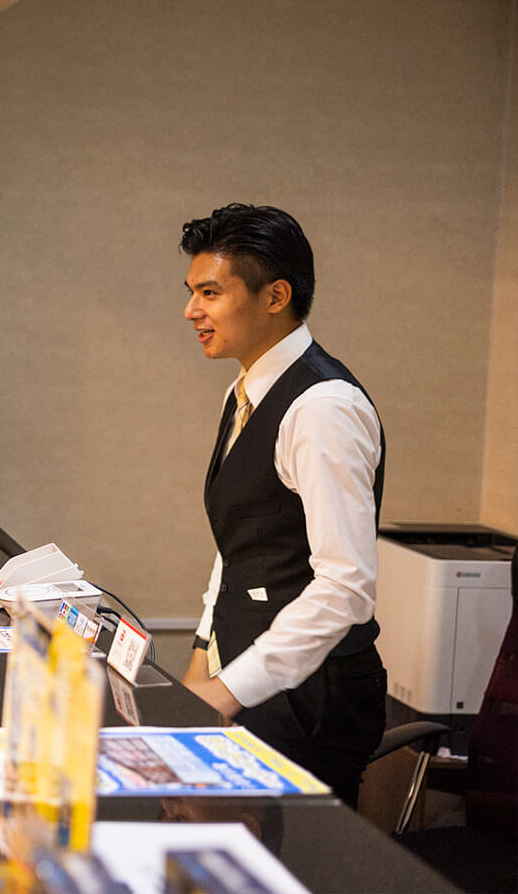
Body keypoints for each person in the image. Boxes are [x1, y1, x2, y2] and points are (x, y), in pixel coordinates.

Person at [178, 203, 386, 807]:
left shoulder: (322, 407)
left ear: (275, 296)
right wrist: (202, 652)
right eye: (192, 292)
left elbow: (345, 586)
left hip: (311, 696)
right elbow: (243, 541)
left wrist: (227, 690)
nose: (192, 310)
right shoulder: (244, 388)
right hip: (245, 669)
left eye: (210, 293)